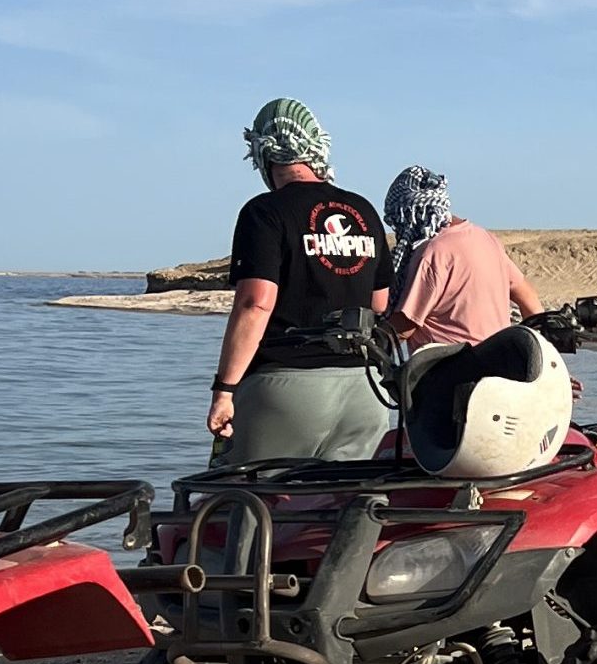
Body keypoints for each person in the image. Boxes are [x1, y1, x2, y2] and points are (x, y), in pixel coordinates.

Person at [207, 98, 395, 463]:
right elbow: (380, 304)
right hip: (364, 388)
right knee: (346, 502)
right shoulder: (363, 210)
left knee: (243, 499)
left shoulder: (264, 212)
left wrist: (224, 390)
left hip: (286, 387)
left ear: (263, 154)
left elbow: (256, 302)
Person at [381, 166, 545, 351]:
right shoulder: (485, 238)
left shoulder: (432, 252)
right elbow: (529, 299)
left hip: (450, 370)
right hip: (500, 363)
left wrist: (368, 341)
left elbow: (404, 327)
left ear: (409, 214)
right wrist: (539, 357)